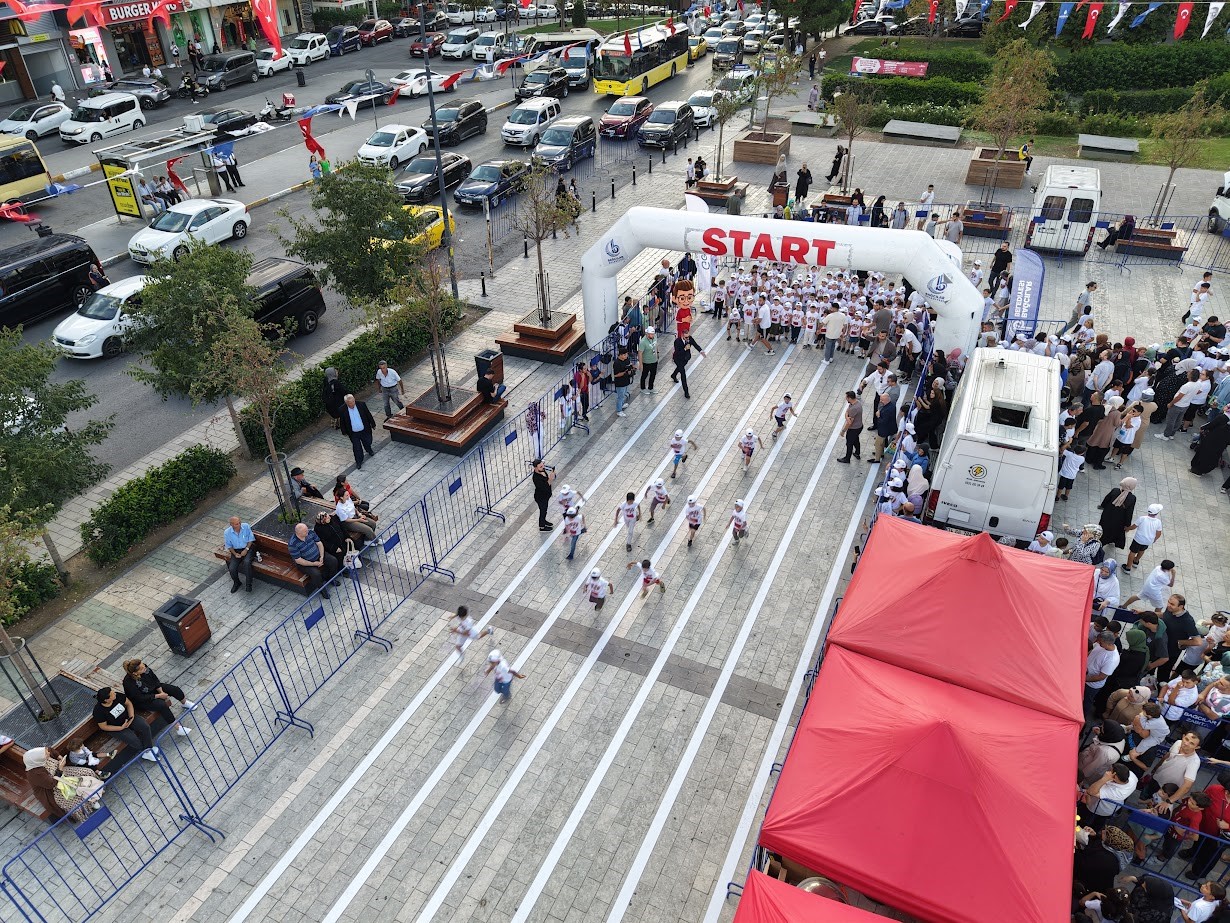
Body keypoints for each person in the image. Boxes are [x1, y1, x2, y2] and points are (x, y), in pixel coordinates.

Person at [122, 659, 194, 738]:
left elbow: (155, 680)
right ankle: (178, 727)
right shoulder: (129, 683)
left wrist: (161, 692)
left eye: (143, 665)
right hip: (142, 700)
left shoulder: (145, 668)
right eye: (142, 668)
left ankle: (185, 703)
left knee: (174, 689)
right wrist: (159, 696)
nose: (145, 668)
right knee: (162, 705)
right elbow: (139, 697)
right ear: (135, 673)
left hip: (153, 689)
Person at [93, 687, 158, 762]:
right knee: (133, 740)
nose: (114, 693)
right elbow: (103, 726)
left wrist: (131, 717)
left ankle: (148, 749)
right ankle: (145, 751)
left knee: (145, 727)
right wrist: (121, 728)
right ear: (107, 700)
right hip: (115, 727)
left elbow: (128, 703)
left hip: (128, 718)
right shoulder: (98, 711)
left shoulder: (118, 696)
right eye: (112, 694)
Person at [287, 522, 340, 598]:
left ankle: (331, 578)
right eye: (305, 531)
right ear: (298, 533)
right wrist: (314, 564)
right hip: (305, 563)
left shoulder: (310, 532)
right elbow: (299, 560)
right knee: (316, 574)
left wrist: (321, 556)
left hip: (318, 555)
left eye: (306, 530)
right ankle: (322, 590)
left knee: (333, 561)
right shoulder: (293, 544)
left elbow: (319, 543)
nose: (307, 532)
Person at [1096, 477, 1137, 550]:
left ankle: (1100, 543)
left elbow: (1106, 499)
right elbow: (1129, 512)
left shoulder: (1115, 491)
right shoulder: (1132, 498)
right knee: (1114, 532)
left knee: (1104, 530)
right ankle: (1110, 540)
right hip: (1119, 521)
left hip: (1107, 515)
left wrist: (1102, 506)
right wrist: (1127, 524)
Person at [1085, 630, 1120, 714]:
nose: (1098, 643)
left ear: (1107, 643)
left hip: (1091, 685)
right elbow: (1091, 652)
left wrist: (1083, 679)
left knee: (1086, 703)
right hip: (1084, 676)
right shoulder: (1100, 645)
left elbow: (1101, 676)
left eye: (1100, 642)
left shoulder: (1112, 659)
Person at [339, 394, 377, 468]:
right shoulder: (342, 409)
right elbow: (342, 421)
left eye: (353, 401)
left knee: (367, 441)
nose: (353, 403)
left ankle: (369, 449)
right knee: (357, 448)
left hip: (364, 429)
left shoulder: (361, 405)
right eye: (350, 402)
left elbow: (368, 414)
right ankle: (359, 461)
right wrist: (344, 431)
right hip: (353, 433)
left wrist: (373, 424)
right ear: (346, 403)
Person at [1124, 504, 1163, 573]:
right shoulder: (1158, 522)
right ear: (1156, 513)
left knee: (1132, 552)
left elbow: (1133, 527)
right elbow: (1159, 533)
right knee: (1142, 550)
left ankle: (1128, 567)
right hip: (1148, 541)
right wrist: (1154, 539)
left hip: (1138, 539)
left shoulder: (1142, 518)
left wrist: (1127, 528)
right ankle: (1136, 561)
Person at [1192, 407, 1230, 476]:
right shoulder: (1225, 418)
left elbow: (1211, 425)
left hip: (1212, 439)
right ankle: (1204, 470)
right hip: (1221, 444)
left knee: (1204, 453)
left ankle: (1197, 470)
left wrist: (1203, 428)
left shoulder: (1223, 417)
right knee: (1213, 457)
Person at [670, 327, 705, 400]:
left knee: (680, 368)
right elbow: (677, 352)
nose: (687, 338)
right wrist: (685, 349)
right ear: (682, 335)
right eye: (686, 337)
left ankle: (673, 375)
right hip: (678, 359)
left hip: (685, 358)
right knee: (683, 373)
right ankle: (686, 391)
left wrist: (701, 351)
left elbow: (695, 345)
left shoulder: (690, 339)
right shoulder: (677, 341)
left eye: (688, 336)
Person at [222, 515, 254, 593]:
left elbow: (251, 539)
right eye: (236, 524)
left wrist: (246, 549)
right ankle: (237, 583)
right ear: (231, 525)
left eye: (239, 522)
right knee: (232, 568)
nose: (239, 524)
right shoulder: (227, 532)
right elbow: (229, 546)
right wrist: (235, 553)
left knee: (246, 563)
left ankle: (249, 584)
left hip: (248, 548)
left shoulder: (245, 526)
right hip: (236, 550)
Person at [836, 391, 863, 463]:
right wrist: (846, 416)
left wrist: (843, 431)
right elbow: (847, 412)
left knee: (849, 443)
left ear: (849, 398)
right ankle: (857, 453)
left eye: (846, 397)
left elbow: (849, 422)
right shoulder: (856, 403)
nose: (846, 399)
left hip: (853, 429)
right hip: (859, 426)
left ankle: (847, 458)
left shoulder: (853, 408)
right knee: (856, 440)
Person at [613, 346, 633, 417]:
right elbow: (616, 375)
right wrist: (624, 372)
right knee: (620, 397)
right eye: (624, 355)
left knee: (624, 393)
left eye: (626, 354)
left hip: (626, 380)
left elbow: (629, 365)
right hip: (620, 382)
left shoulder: (626, 360)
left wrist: (631, 369)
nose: (626, 356)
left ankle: (621, 404)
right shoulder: (616, 363)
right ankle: (619, 410)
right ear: (620, 355)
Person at [638, 325, 659, 392]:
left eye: (653, 334)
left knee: (653, 374)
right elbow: (640, 353)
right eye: (651, 334)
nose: (652, 335)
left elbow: (656, 344)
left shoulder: (654, 337)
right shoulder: (643, 342)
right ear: (647, 334)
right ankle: (642, 388)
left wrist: (657, 352)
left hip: (654, 360)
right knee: (644, 375)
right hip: (646, 361)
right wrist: (640, 364)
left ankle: (651, 387)